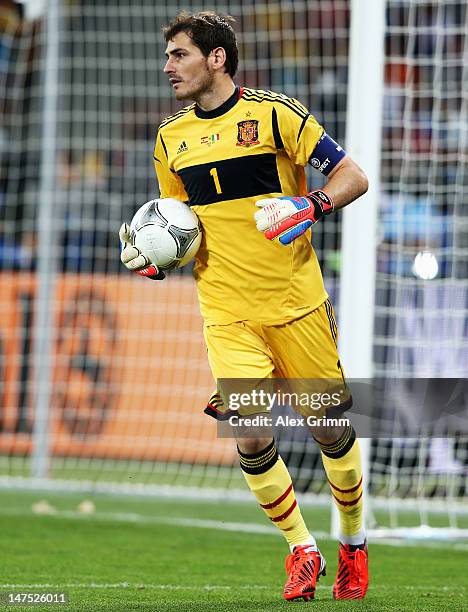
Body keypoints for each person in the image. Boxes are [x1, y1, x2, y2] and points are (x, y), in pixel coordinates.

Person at [119, 11, 369, 602]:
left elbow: (352, 176)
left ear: (216, 59)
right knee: (250, 434)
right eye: (168, 55)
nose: (167, 67)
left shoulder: (277, 114)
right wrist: (157, 260)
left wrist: (311, 204)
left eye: (179, 55)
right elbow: (178, 225)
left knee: (330, 432)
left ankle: (353, 544)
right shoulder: (170, 138)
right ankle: (302, 550)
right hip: (226, 311)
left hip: (295, 301)